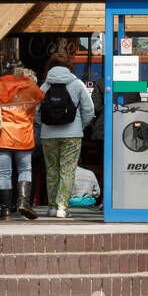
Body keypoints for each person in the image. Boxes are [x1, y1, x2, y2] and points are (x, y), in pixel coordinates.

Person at [0, 62, 44, 220]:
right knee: (25, 170)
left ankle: (5, 211)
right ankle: (24, 202)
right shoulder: (30, 87)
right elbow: (41, 97)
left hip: (2, 137)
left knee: (4, 174)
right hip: (24, 136)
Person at [38, 51, 94, 218]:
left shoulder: (45, 86)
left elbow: (35, 111)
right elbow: (89, 110)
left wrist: (44, 125)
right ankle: (63, 208)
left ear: (49, 66)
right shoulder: (77, 84)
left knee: (52, 170)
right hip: (72, 134)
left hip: (48, 135)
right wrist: (80, 126)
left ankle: (52, 207)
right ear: (70, 66)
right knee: (67, 170)